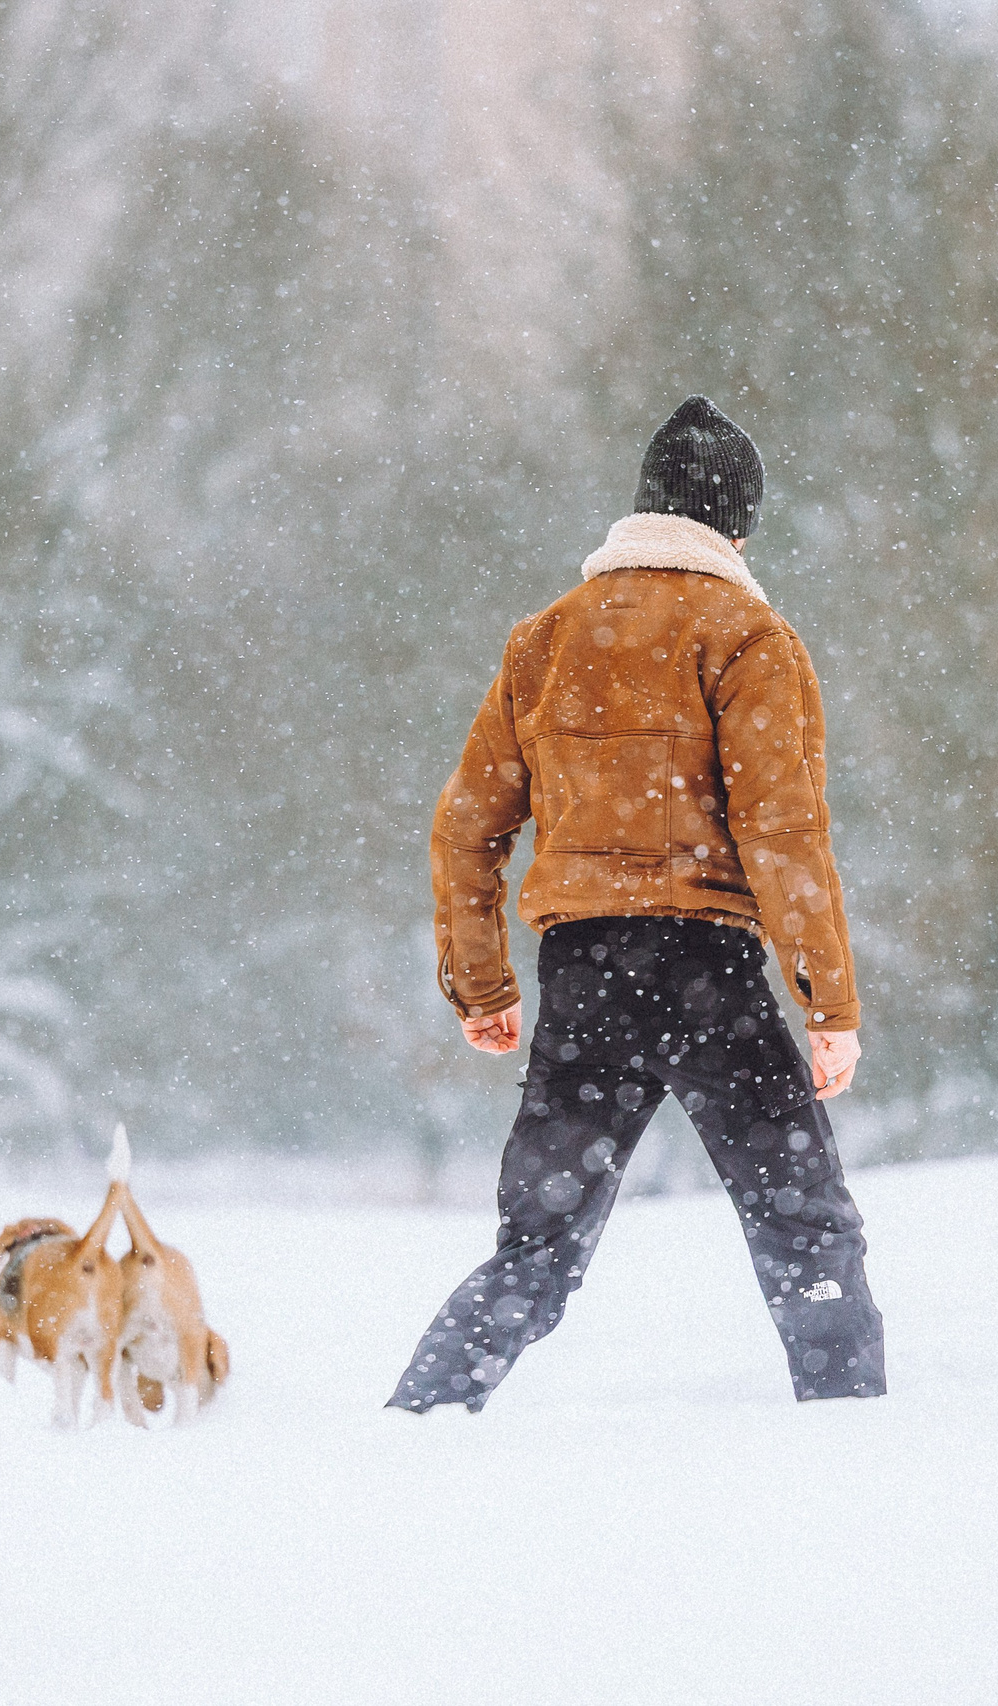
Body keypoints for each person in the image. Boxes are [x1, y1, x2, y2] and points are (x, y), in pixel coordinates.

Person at [388, 396, 885, 1414]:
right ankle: (850, 1429)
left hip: (584, 977)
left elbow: (464, 827)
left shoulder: (545, 641)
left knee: (536, 1248)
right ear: (735, 527)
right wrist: (827, 1003)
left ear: (644, 507)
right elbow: (781, 832)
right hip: (710, 976)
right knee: (803, 1227)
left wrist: (483, 984)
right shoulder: (748, 636)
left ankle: (420, 1420)